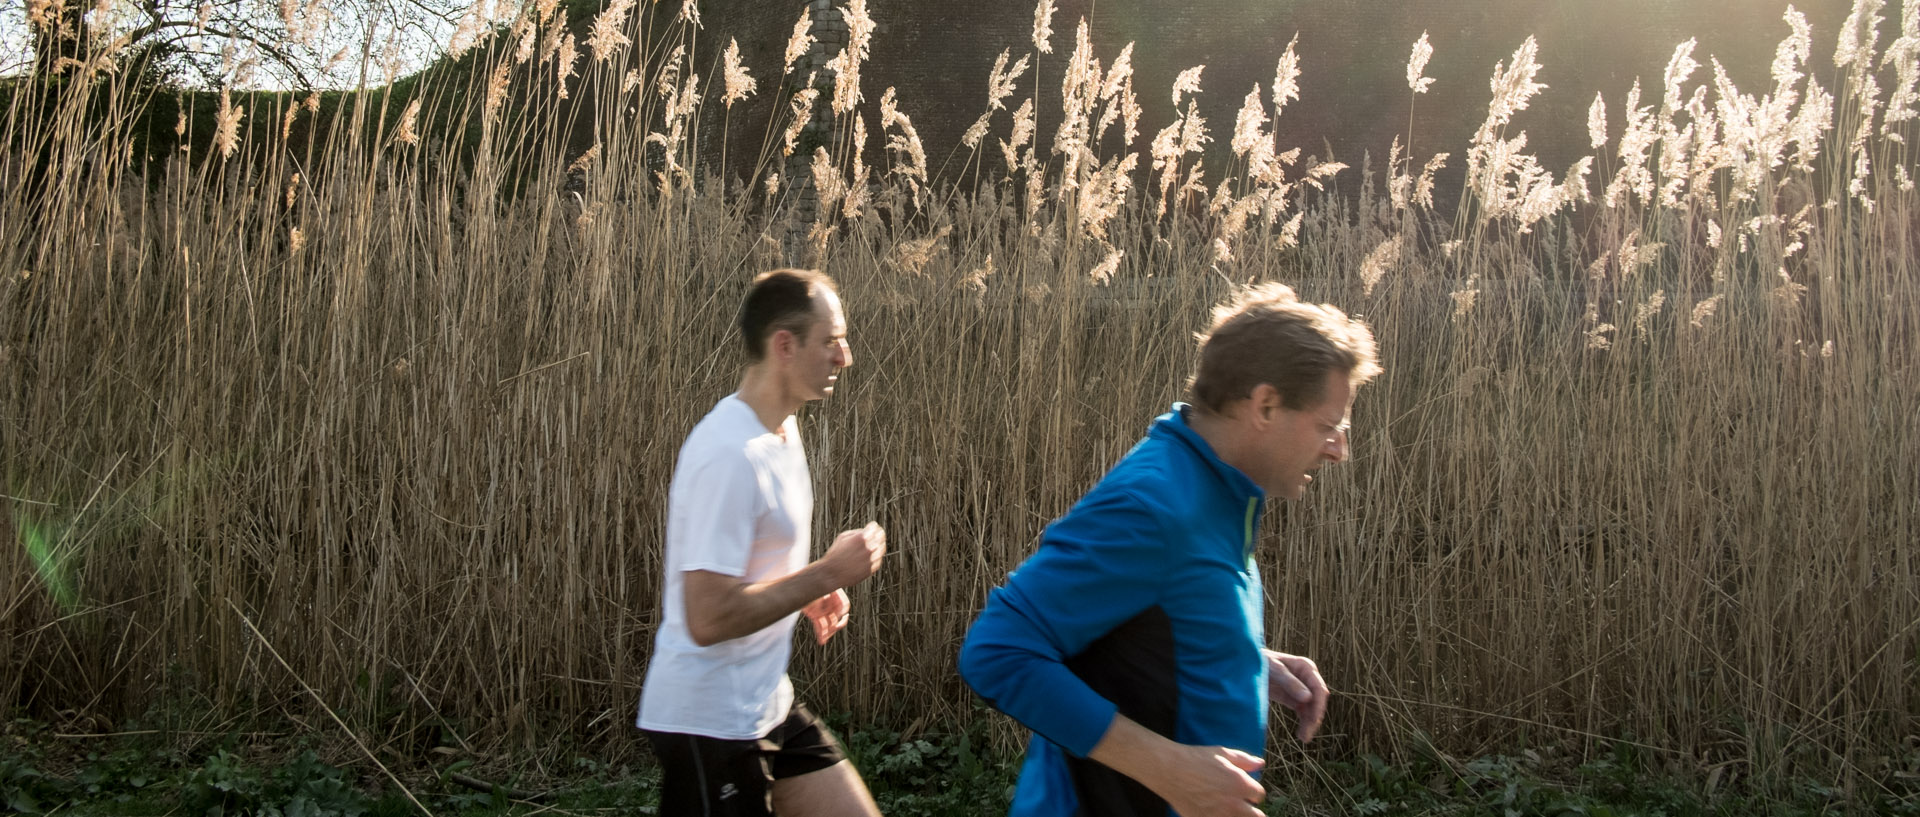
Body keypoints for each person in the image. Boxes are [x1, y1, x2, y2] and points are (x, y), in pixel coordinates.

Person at [958, 283, 1381, 817]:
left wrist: (1243, 657)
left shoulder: (1221, 490)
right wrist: (1169, 769)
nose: (1340, 448)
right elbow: (998, 650)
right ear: (1266, 405)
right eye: (1328, 425)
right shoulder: (1155, 504)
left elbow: (1147, 621)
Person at [638, 268, 888, 817]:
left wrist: (805, 592)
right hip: (709, 725)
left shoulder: (781, 431)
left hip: (766, 704)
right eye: (830, 341)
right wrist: (825, 574)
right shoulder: (729, 453)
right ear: (784, 345)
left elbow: (748, 573)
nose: (844, 357)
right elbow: (706, 618)